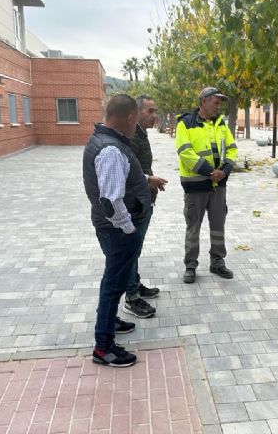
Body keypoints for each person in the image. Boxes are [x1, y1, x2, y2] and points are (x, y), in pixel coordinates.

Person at [82, 94, 156, 367]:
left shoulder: (104, 141)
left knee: (112, 280)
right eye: (135, 120)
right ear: (128, 118)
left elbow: (119, 177)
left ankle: (110, 320)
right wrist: (128, 230)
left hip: (110, 226)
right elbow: (111, 201)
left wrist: (146, 179)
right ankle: (104, 347)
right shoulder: (111, 149)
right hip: (116, 229)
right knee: (113, 284)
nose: (135, 126)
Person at [176, 87, 238, 284]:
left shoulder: (221, 124)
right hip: (196, 186)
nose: (218, 106)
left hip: (219, 185)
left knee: (218, 226)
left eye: (220, 103)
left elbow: (232, 148)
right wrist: (209, 172)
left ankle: (217, 262)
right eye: (216, 102)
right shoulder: (185, 123)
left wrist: (225, 170)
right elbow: (185, 152)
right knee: (193, 226)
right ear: (203, 101)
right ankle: (190, 265)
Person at [122, 95, 168, 319]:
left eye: (155, 111)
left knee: (136, 248)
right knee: (132, 249)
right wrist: (149, 180)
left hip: (144, 199)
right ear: (137, 112)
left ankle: (135, 284)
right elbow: (128, 170)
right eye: (150, 111)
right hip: (134, 201)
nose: (154, 116)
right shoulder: (130, 136)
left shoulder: (141, 133)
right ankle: (131, 297)